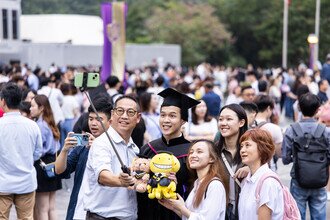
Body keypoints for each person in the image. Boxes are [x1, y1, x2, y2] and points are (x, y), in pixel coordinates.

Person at [138, 88, 200, 220]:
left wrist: (178, 186)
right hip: (148, 213)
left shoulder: (192, 152)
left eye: (172, 116)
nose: (166, 120)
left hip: (176, 214)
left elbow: (195, 187)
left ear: (183, 120)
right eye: (162, 115)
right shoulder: (147, 149)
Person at [83, 95, 141, 219]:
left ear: (138, 118)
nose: (124, 116)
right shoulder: (102, 143)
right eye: (120, 111)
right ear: (112, 114)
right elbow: (103, 176)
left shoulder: (134, 148)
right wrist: (120, 181)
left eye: (130, 112)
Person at [55, 95, 112, 220]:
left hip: (101, 213)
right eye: (91, 119)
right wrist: (64, 149)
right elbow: (59, 171)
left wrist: (97, 147)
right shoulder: (82, 147)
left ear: (110, 121)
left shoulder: (114, 148)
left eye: (99, 119)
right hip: (77, 210)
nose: (93, 123)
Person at [282, 93, 330, 220]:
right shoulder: (325, 131)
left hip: (299, 179)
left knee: (297, 214)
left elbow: (285, 159)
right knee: (319, 215)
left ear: (299, 108)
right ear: (318, 109)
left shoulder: (291, 130)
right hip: (320, 180)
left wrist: (299, 157)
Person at [0, 83, 42, 220]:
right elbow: (37, 153)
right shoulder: (32, 125)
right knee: (26, 218)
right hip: (26, 182)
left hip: (3, 183)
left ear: (3, 101)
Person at [159, 139, 229, 220]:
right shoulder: (197, 183)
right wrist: (174, 208)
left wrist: (182, 208)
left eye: (199, 152)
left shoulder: (215, 185)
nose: (192, 155)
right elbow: (189, 217)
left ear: (212, 158)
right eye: (191, 152)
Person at [30, 94, 62, 220]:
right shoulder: (50, 122)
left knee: (42, 209)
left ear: (41, 108)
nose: (30, 109)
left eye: (33, 106)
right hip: (53, 163)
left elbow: (38, 150)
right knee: (51, 207)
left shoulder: (40, 125)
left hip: (42, 165)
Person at [239, 129, 284, 219]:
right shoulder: (247, 180)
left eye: (247, 145)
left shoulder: (268, 182)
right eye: (241, 146)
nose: (242, 150)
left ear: (261, 148)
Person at [216, 104, 249, 220]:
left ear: (241, 123)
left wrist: (251, 169)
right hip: (221, 211)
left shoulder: (252, 150)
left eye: (229, 119)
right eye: (220, 119)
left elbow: (265, 171)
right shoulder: (214, 151)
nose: (223, 123)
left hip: (246, 211)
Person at [254, 95, 283, 170]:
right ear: (268, 108)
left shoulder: (248, 125)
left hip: (249, 167)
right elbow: (279, 153)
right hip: (267, 168)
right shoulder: (275, 128)